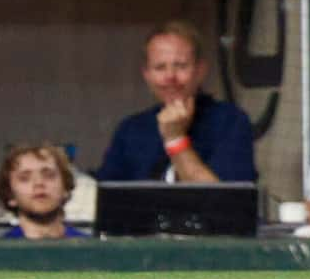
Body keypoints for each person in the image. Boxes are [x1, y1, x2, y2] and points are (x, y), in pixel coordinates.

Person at [96, 21, 257, 183]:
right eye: (160, 67)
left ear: (200, 71)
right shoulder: (130, 130)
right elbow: (106, 199)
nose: (170, 76)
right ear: (147, 75)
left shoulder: (231, 122)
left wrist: (175, 139)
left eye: (181, 66)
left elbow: (226, 202)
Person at [0, 143, 91, 239]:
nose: (39, 183)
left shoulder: (89, 248)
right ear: (10, 195)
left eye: (48, 175)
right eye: (25, 178)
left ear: (65, 189)